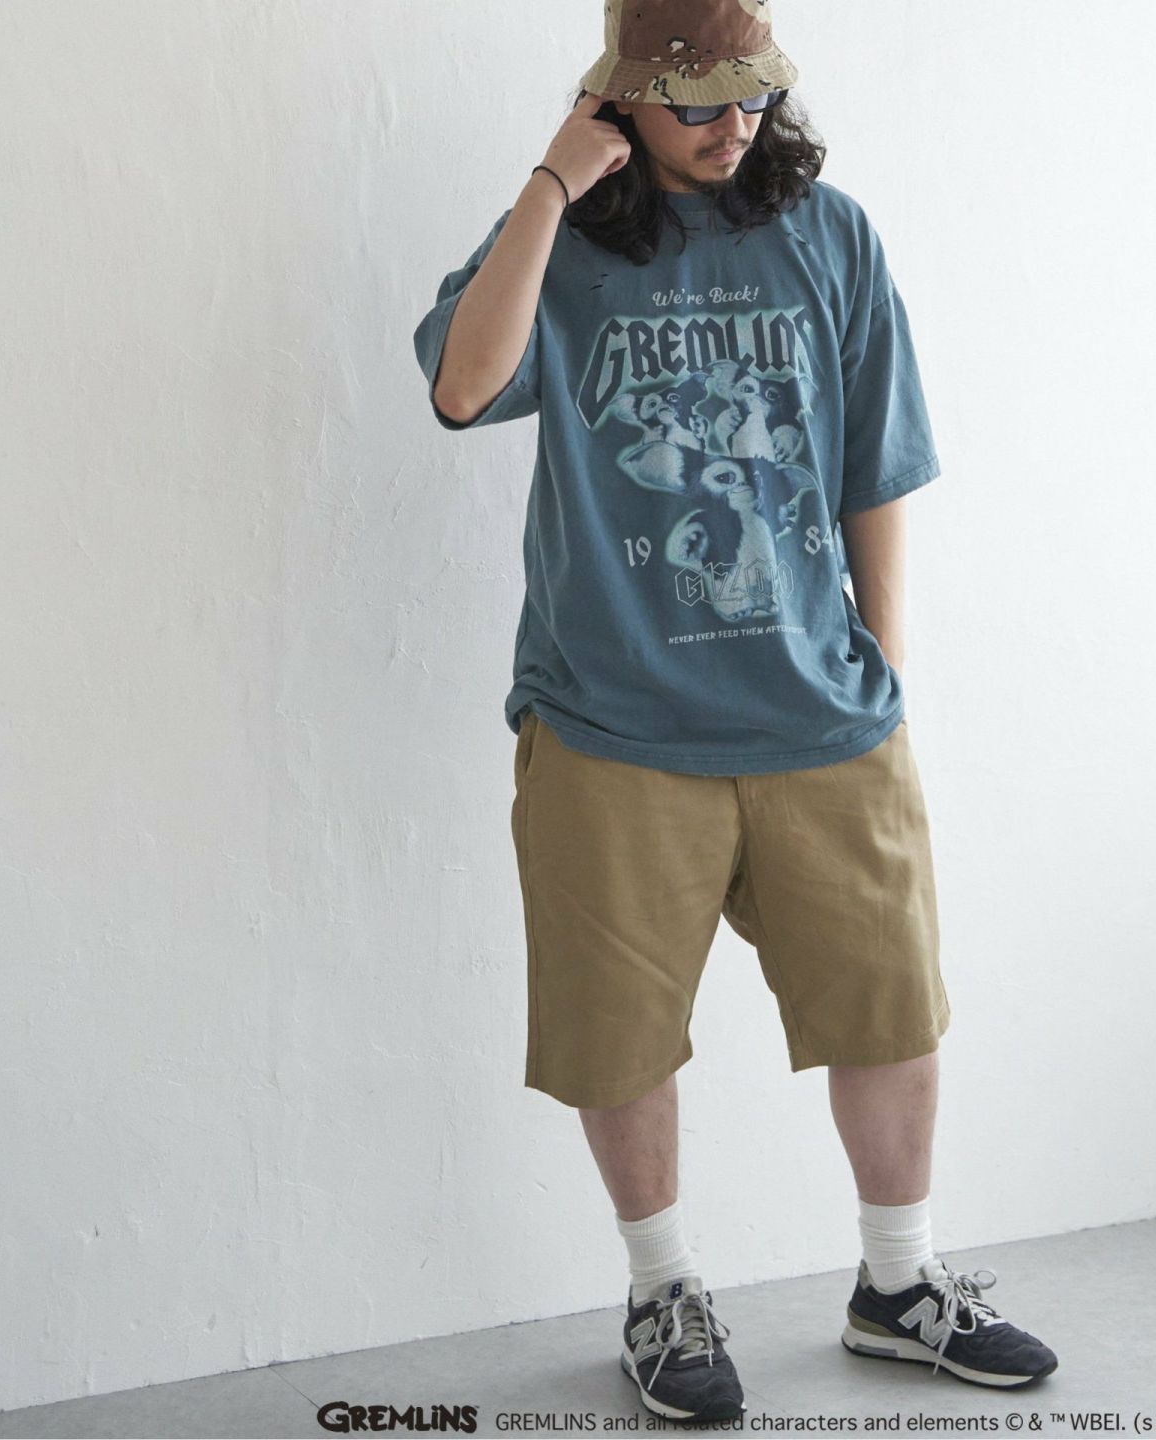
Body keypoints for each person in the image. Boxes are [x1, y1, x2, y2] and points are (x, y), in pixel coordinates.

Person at [413, 0, 1057, 1424]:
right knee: (619, 1033)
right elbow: (462, 388)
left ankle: (900, 1284)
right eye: (696, 102)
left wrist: (883, 679)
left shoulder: (832, 236)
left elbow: (877, 464)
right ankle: (663, 1293)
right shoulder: (562, 246)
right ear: (619, 103)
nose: (732, 127)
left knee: (891, 1005)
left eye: (751, 96)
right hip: (612, 722)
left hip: (821, 715)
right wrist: (549, 184)